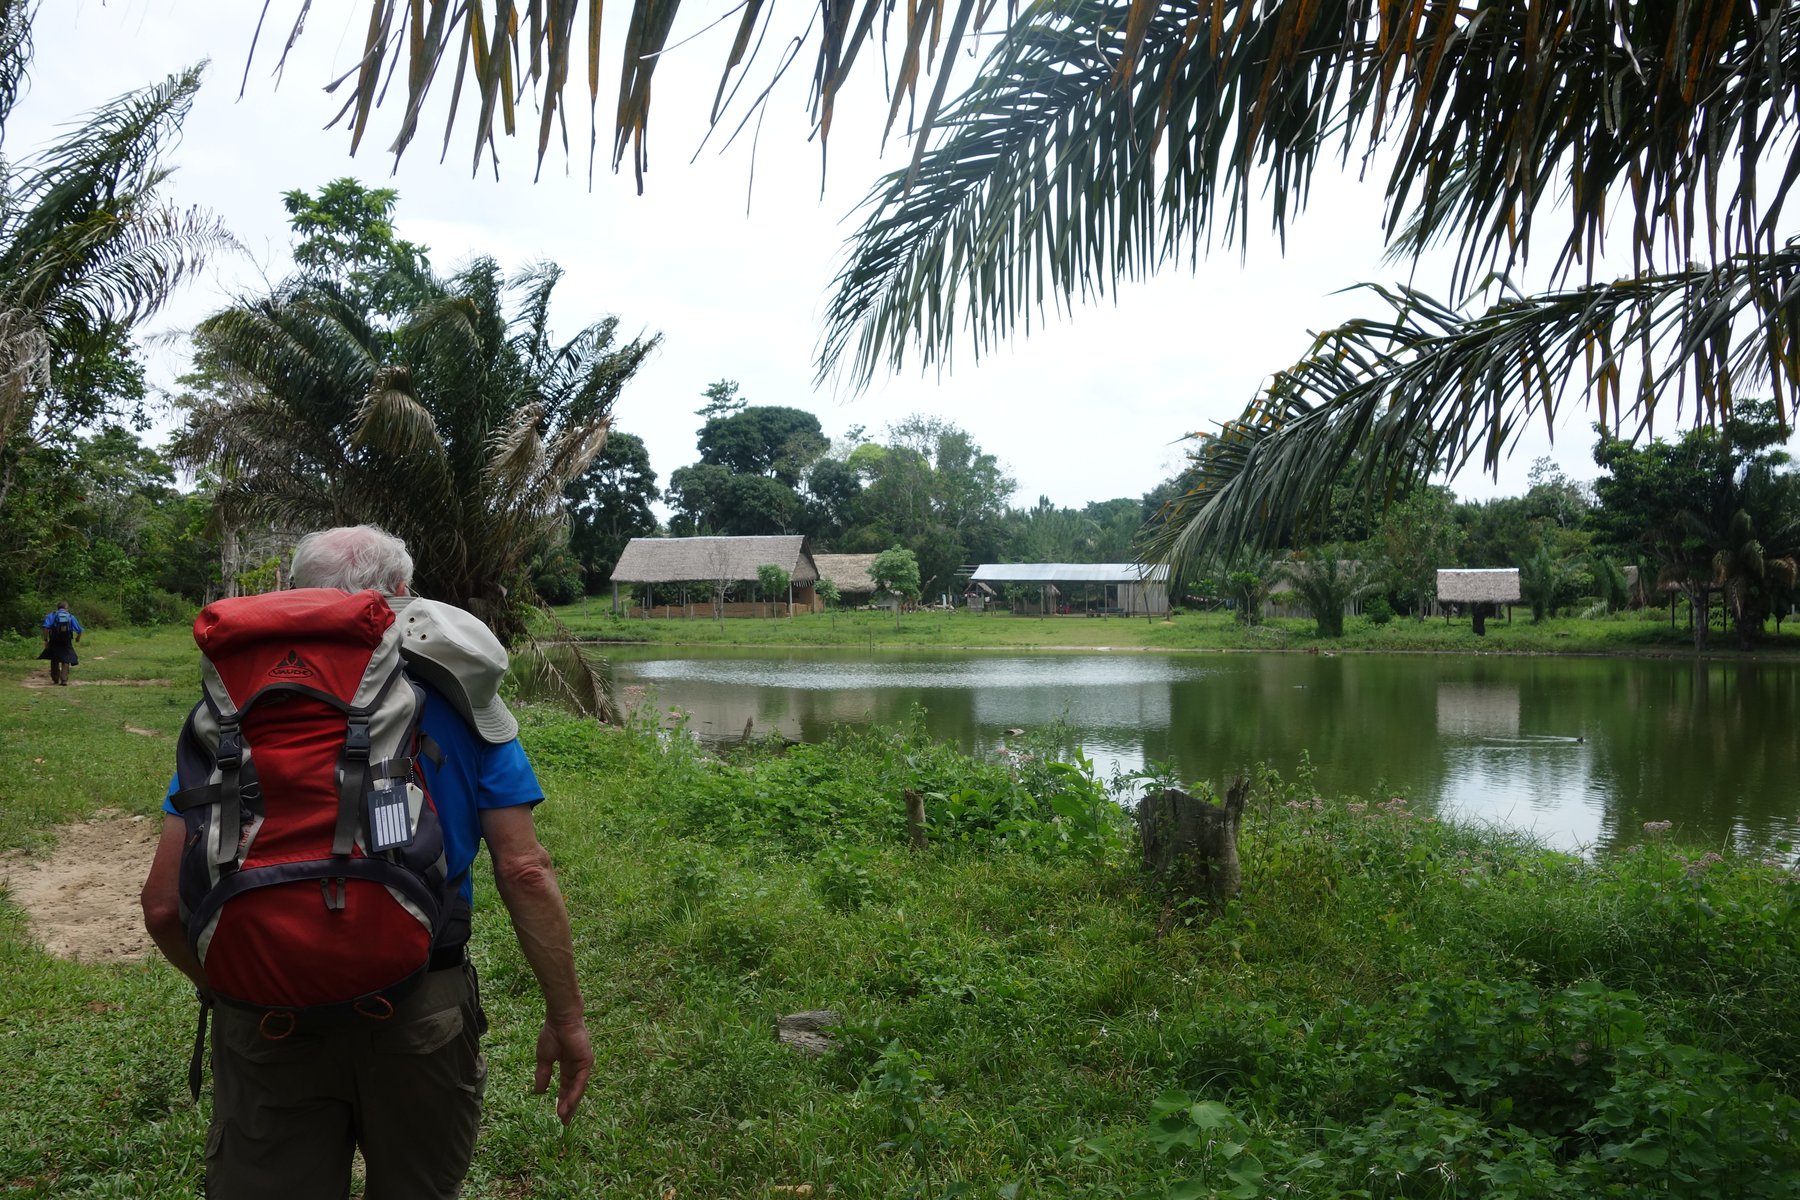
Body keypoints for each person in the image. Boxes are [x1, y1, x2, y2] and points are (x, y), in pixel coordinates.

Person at [139, 525, 592, 1199]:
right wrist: (567, 1019)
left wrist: (237, 980)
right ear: (403, 598)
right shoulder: (465, 703)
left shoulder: (233, 709)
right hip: (419, 1003)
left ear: (292, 596)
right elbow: (525, 870)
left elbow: (163, 907)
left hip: (266, 1008)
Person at [38, 601, 82, 685]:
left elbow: (45, 628)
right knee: (66, 659)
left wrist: (46, 640)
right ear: (66, 608)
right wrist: (77, 638)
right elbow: (79, 630)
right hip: (66, 640)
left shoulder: (51, 615)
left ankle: (55, 679)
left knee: (54, 658)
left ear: (57, 608)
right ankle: (64, 680)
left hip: (54, 639)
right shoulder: (70, 616)